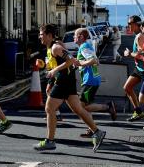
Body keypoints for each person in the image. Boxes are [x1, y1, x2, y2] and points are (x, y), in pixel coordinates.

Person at [34, 24, 106, 152]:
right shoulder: (52, 47)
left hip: (64, 80)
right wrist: (46, 66)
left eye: (41, 34)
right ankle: (97, 132)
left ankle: (50, 141)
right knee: (78, 109)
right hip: (67, 80)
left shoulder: (56, 47)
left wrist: (55, 70)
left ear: (49, 35)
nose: (40, 37)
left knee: (49, 108)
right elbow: (58, 62)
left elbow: (71, 60)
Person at [73, 27, 117, 138]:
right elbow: (91, 60)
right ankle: (91, 128)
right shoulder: (85, 46)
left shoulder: (84, 47)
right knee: (84, 106)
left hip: (90, 80)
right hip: (91, 79)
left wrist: (80, 64)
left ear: (81, 37)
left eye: (75, 35)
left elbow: (94, 61)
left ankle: (107, 107)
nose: (73, 37)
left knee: (80, 107)